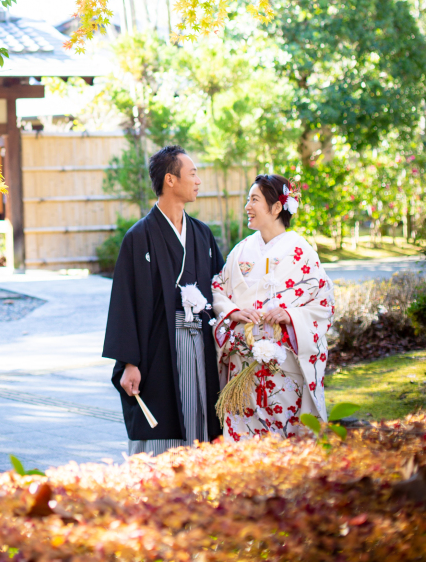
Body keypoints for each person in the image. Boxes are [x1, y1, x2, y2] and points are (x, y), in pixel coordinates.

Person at [102, 145, 225, 455]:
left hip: (200, 345)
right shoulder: (139, 237)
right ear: (171, 180)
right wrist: (130, 362)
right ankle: (159, 490)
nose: (198, 181)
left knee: (201, 419)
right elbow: (125, 303)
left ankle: (198, 488)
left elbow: (221, 289)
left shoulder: (202, 234)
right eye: (193, 173)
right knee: (163, 422)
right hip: (159, 349)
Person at [211, 174, 335, 443]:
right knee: (243, 446)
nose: (247, 206)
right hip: (243, 368)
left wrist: (290, 315)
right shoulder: (240, 251)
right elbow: (218, 287)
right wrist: (233, 312)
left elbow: (324, 303)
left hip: (284, 368)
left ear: (277, 207)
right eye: (248, 200)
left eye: (254, 199)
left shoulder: (302, 252)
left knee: (285, 444)